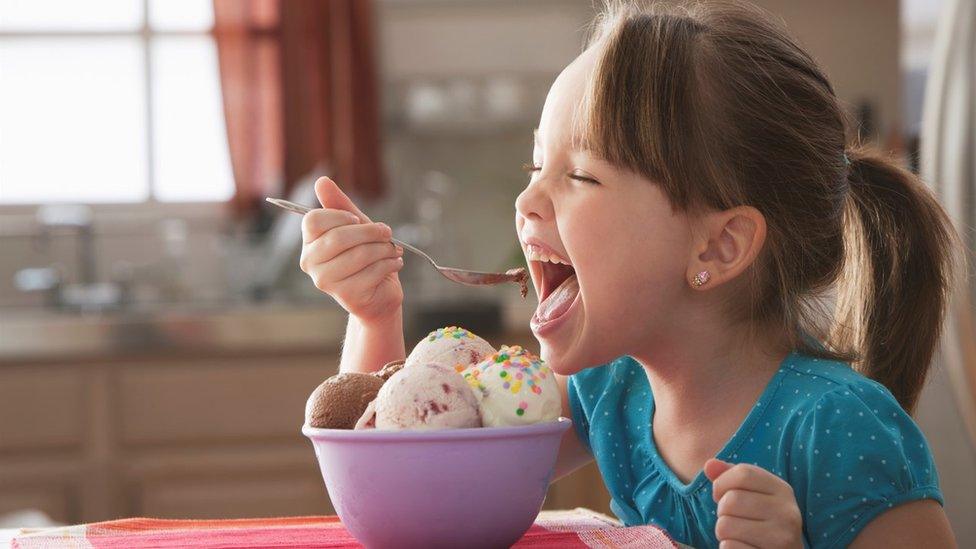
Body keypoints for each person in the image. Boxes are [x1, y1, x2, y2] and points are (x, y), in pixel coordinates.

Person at [298, 2, 958, 546]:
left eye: (579, 175)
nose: (527, 201)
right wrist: (374, 315)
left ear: (718, 248)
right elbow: (417, 496)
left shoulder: (843, 430)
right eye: (535, 166)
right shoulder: (605, 389)